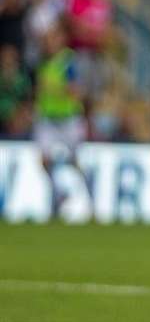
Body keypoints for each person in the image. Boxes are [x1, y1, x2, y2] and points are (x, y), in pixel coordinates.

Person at [33, 20, 88, 220]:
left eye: (53, 38)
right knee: (44, 160)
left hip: (68, 118)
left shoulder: (68, 62)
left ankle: (91, 202)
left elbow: (76, 91)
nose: (49, 42)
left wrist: (57, 90)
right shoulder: (42, 61)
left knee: (75, 162)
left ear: (61, 40)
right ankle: (59, 195)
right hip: (48, 118)